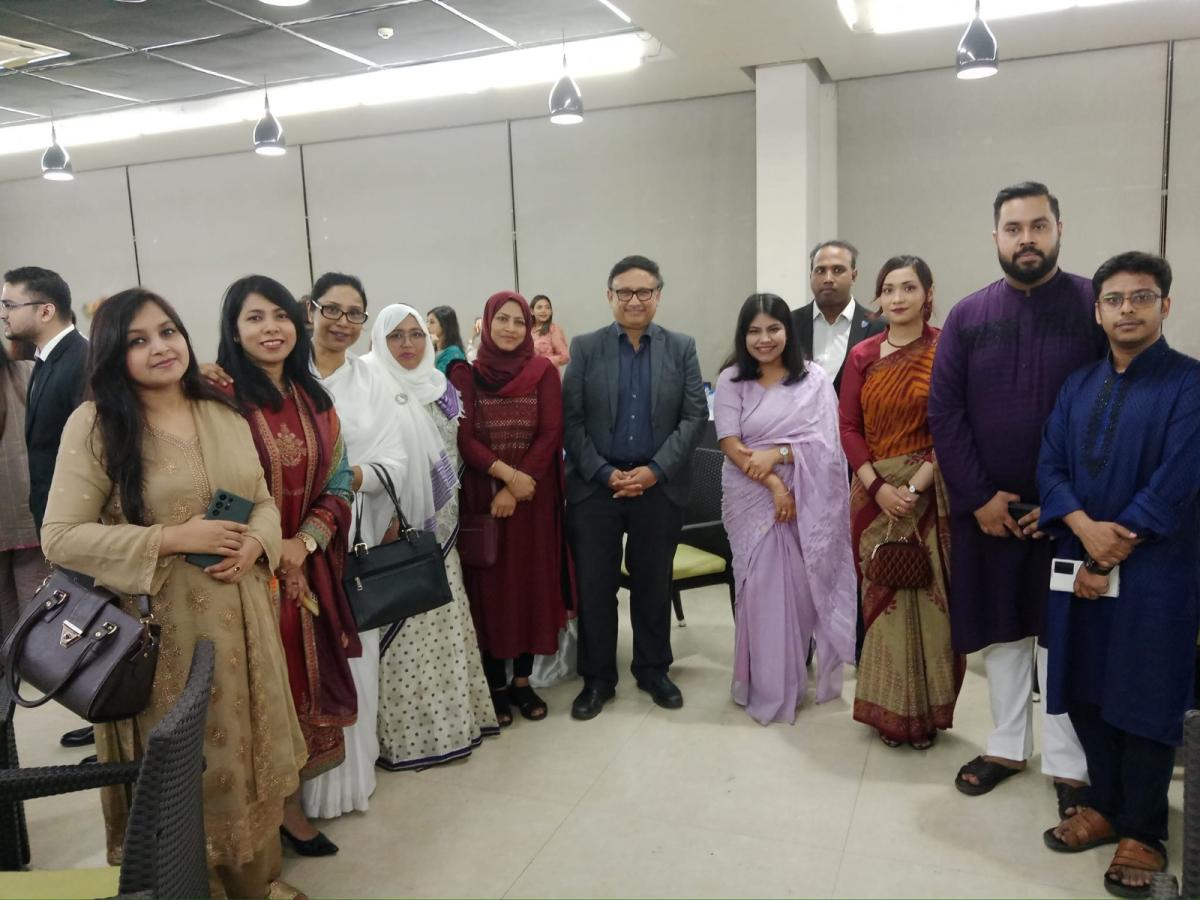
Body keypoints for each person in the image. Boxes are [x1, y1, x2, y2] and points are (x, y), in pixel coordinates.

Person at [39, 288, 306, 899]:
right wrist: (172, 538)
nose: (160, 347)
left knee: (248, 758)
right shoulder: (98, 424)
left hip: (243, 622)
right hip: (164, 640)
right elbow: (61, 537)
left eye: (168, 331)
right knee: (186, 771)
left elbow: (263, 500)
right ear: (113, 353)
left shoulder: (221, 410)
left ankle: (256, 883)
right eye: (138, 340)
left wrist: (255, 543)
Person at [928, 181, 1103, 817]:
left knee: (1062, 636)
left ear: (1059, 230)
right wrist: (979, 498)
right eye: (1013, 228)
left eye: (1038, 226)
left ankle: (1069, 764)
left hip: (1072, 513)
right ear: (996, 236)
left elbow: (1110, 400)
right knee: (1002, 631)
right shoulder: (969, 316)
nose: (1026, 239)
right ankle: (1005, 747)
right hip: (990, 514)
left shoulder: (1092, 305)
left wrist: (1069, 505)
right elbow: (945, 412)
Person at [1038, 252, 1199, 898]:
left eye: (1141, 297)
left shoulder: (1189, 384)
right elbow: (1050, 466)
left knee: (1145, 693)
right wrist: (1083, 532)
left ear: (1166, 305)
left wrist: (1106, 552)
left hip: (1157, 570)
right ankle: (1104, 804)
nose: (1127, 309)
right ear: (1098, 311)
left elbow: (1177, 481)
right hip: (1078, 563)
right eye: (1114, 299)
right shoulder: (1078, 385)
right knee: (1085, 686)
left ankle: (1144, 829)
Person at [216, 274, 359, 857]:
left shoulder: (315, 400)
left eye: (279, 316)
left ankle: (290, 810)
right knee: (250, 699)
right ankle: (248, 826)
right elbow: (209, 490)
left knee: (299, 690)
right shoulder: (217, 400)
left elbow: (340, 482)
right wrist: (268, 546)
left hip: (305, 576)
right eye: (254, 318)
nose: (270, 328)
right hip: (239, 576)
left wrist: (306, 540)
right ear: (234, 331)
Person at [563, 255, 707, 720]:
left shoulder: (681, 348)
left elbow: (694, 416)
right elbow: (572, 421)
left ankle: (652, 669)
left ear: (658, 295)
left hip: (657, 488)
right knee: (596, 587)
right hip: (596, 489)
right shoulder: (586, 348)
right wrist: (604, 472)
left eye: (644, 291)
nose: (634, 300)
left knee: (652, 584)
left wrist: (655, 470)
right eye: (624, 292)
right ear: (610, 296)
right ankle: (597, 679)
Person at [364, 303, 499, 764]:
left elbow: (455, 452)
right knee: (402, 634)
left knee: (443, 626)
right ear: (379, 341)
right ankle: (406, 740)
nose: (407, 344)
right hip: (392, 533)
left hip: (441, 530)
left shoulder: (440, 388)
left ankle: (453, 726)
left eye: (416, 334)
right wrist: (385, 517)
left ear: (430, 338)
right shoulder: (370, 386)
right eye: (396, 335)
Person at [714, 293, 856, 724]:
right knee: (758, 589)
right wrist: (775, 483)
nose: (764, 339)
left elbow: (827, 446)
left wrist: (778, 455)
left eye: (773, 329)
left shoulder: (813, 380)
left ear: (788, 332)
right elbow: (730, 442)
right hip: (750, 496)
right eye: (754, 331)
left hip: (807, 497)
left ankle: (789, 683)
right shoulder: (731, 380)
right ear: (743, 336)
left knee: (796, 591)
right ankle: (761, 684)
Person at [839, 256, 963, 748]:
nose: (897, 298)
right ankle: (888, 714)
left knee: (932, 610)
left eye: (908, 288)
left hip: (931, 495)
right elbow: (849, 427)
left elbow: (954, 424)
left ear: (928, 293)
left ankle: (926, 716)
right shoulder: (863, 355)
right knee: (883, 604)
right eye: (888, 289)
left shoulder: (947, 349)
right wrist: (878, 488)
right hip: (874, 498)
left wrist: (915, 488)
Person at [301, 272, 407, 819]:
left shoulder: (372, 382)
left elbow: (396, 461)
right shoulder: (283, 375)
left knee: (352, 661)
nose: (342, 322)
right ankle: (293, 794)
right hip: (289, 543)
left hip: (350, 541)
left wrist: (343, 480)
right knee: (299, 663)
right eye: (332, 309)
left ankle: (348, 779)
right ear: (311, 310)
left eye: (354, 314)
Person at [450, 291, 570, 725]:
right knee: (491, 590)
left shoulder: (542, 371)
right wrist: (506, 477)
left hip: (532, 499)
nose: (511, 328)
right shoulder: (466, 374)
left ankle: (522, 681)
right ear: (486, 323)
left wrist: (518, 486)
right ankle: (494, 685)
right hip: (484, 497)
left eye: (520, 322)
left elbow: (551, 432)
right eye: (502, 319)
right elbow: (464, 437)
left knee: (529, 586)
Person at [1, 266, 94, 751]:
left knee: (94, 623)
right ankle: (103, 720)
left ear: (45, 310)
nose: (3, 315)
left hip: (82, 524)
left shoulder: (79, 359)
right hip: (59, 521)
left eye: (9, 305)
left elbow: (94, 449)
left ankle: (112, 724)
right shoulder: (44, 360)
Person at [791, 241, 886, 393]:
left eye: (837, 270)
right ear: (811, 276)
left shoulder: (879, 327)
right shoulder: (789, 324)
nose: (828, 278)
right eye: (820, 270)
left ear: (854, 276)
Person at [0, 339, 45, 640]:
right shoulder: (30, 373)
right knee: (37, 596)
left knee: (4, 606)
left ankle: (10, 658)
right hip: (33, 508)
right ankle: (34, 659)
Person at [530, 294, 571, 371]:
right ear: (532, 311)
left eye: (547, 307)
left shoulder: (554, 330)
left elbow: (565, 356)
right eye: (539, 307)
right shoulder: (526, 330)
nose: (544, 311)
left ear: (551, 311)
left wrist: (543, 362)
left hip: (547, 374)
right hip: (529, 373)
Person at [428, 306, 468, 374]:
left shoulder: (453, 352)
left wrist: (430, 348)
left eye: (432, 322)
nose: (427, 326)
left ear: (445, 324)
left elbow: (438, 377)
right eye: (427, 322)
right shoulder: (435, 349)